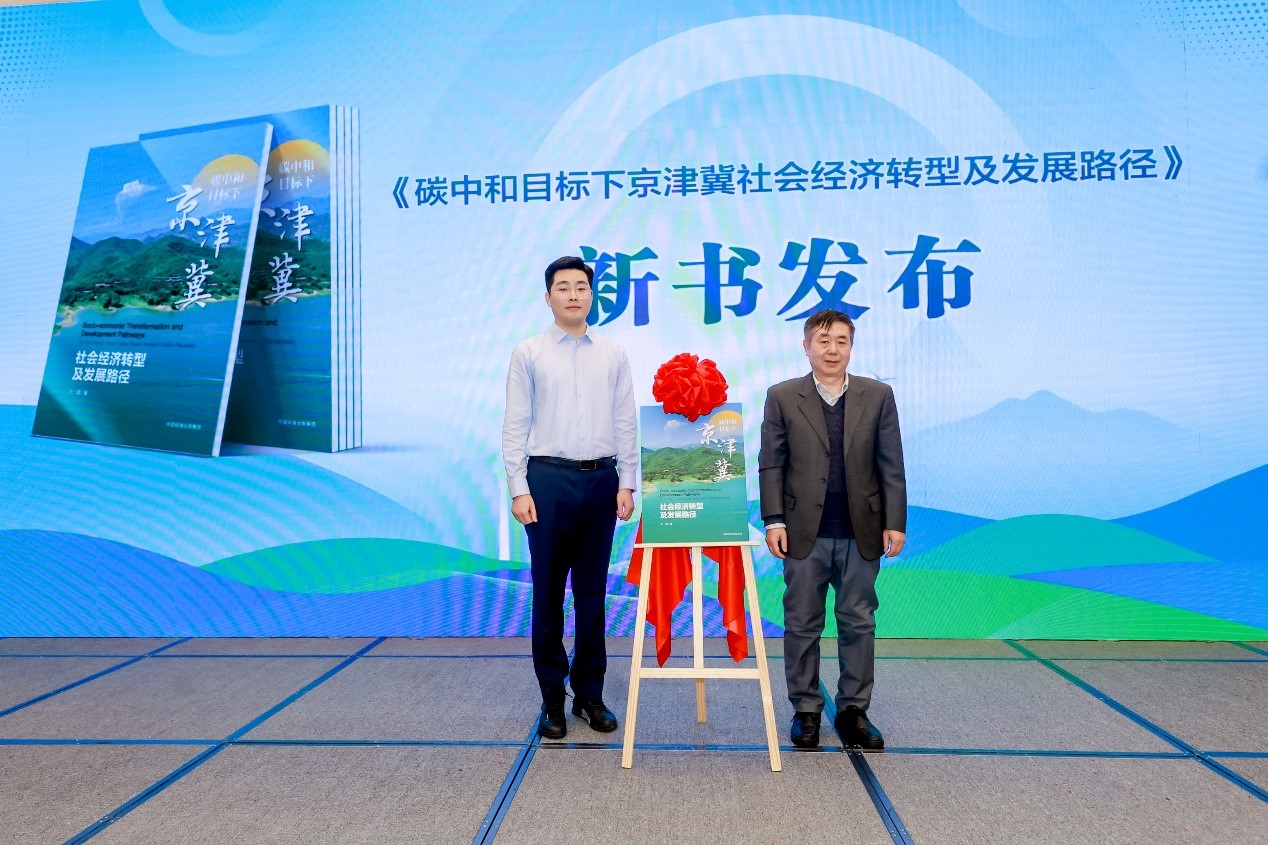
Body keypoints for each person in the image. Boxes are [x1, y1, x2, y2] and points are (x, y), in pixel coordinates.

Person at [502, 255, 637, 739]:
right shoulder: (528, 353)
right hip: (547, 481)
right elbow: (515, 424)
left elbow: (625, 420)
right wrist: (519, 487)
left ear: (591, 295)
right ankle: (552, 699)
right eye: (563, 287)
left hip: (601, 480)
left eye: (581, 286)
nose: (573, 294)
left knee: (593, 596)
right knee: (548, 595)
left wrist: (627, 480)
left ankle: (590, 696)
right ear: (548, 297)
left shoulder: (613, 353)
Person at [758, 309, 907, 749]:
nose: (832, 349)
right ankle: (805, 710)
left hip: (863, 531)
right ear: (806, 346)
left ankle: (853, 710)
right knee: (802, 622)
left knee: (858, 621)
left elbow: (891, 464)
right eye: (823, 341)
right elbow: (772, 465)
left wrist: (895, 522)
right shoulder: (782, 396)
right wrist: (774, 520)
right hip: (803, 530)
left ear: (851, 347)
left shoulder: (877, 396)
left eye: (841, 341)